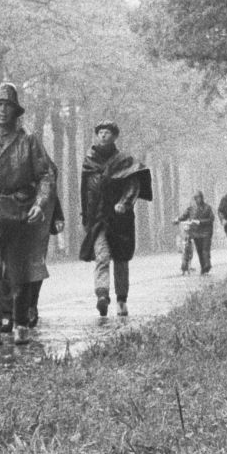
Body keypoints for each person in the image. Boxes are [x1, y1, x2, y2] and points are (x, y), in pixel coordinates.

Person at [0, 82, 58, 347]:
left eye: (7, 106)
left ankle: (21, 323)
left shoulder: (28, 139)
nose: (2, 111)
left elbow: (46, 174)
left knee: (18, 269)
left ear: (15, 112)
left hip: (20, 207)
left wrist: (40, 202)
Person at [79, 122, 152, 320]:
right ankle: (102, 295)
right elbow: (85, 191)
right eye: (100, 132)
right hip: (98, 218)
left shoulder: (125, 160)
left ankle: (121, 299)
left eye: (107, 132)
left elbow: (133, 185)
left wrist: (124, 203)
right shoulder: (89, 162)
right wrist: (85, 215)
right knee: (101, 256)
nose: (103, 136)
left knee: (121, 259)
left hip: (120, 220)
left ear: (115, 136)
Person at [175, 191, 214, 275]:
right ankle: (203, 267)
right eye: (196, 198)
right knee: (200, 251)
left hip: (206, 233)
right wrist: (178, 219)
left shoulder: (208, 208)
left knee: (205, 250)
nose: (198, 200)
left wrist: (200, 222)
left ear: (202, 198)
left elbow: (211, 219)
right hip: (196, 233)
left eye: (199, 197)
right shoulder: (191, 208)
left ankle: (207, 266)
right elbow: (184, 216)